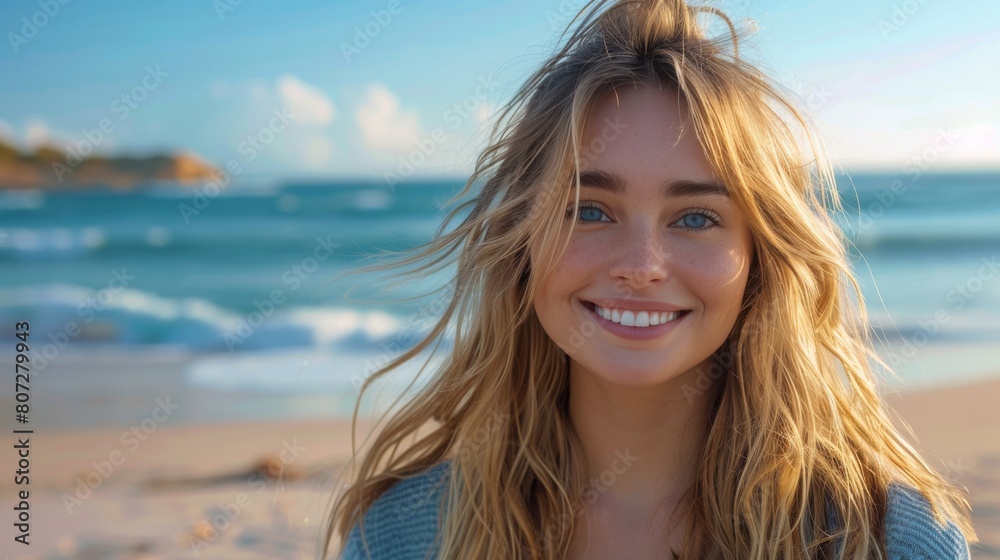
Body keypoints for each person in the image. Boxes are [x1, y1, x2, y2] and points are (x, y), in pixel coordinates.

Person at [322, 0, 978, 558]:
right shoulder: (403, 538)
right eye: (588, 209)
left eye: (695, 217)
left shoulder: (885, 538)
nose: (640, 265)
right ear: (522, 240)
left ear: (760, 259)